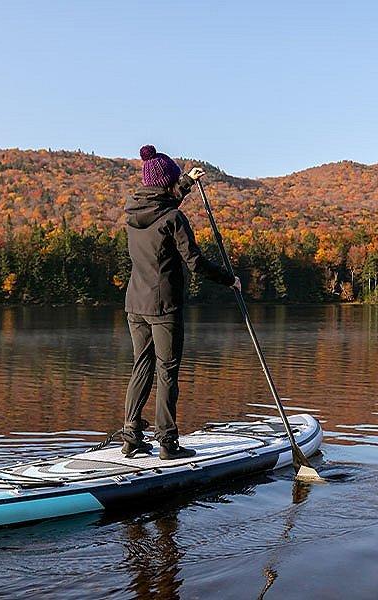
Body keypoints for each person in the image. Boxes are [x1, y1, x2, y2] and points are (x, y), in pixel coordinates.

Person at [122, 144, 240, 460]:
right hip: (164, 307)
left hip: (135, 304)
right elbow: (196, 262)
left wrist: (187, 181)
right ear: (166, 184)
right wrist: (230, 279)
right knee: (167, 371)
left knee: (141, 366)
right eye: (174, 181)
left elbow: (164, 201)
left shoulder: (133, 214)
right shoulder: (174, 218)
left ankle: (131, 436)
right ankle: (167, 443)